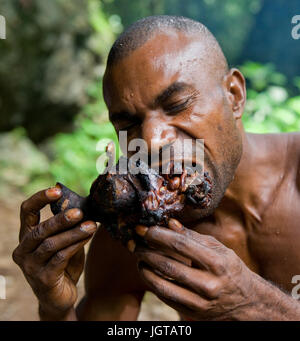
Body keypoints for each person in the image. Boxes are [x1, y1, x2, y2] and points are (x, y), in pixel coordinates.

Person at [12, 15, 300, 321]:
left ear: (235, 96)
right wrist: (56, 310)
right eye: (128, 123)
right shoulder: (134, 227)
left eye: (177, 105)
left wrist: (260, 306)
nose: (151, 140)